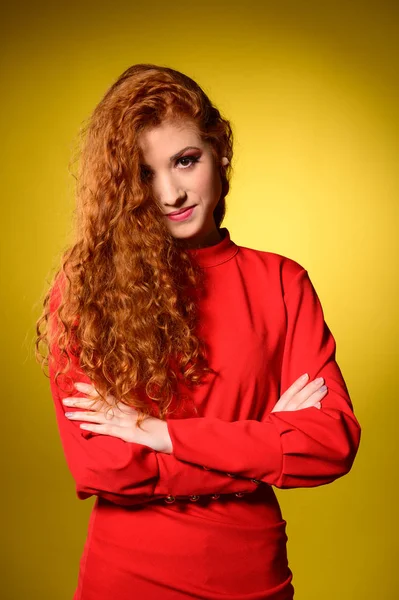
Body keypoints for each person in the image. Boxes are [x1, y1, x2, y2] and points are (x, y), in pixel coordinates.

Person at [35, 64, 361, 600]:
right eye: (144, 174)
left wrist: (162, 434)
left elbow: (330, 443)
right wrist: (262, 447)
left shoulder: (281, 282)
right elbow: (106, 467)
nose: (170, 194)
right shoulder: (84, 290)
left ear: (220, 153)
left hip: (251, 577)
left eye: (186, 161)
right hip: (128, 578)